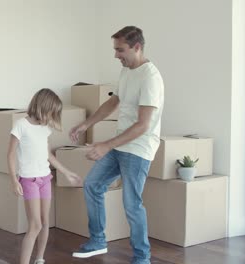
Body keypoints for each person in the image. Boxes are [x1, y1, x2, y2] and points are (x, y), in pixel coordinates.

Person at [69, 26, 164, 264]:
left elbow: (143, 125)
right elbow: (113, 103)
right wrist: (85, 124)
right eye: (115, 49)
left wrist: (106, 145)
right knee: (93, 184)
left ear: (137, 47)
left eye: (120, 50)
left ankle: (143, 257)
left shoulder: (150, 78)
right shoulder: (127, 70)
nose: (116, 55)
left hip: (139, 148)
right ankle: (98, 240)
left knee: (132, 204)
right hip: (121, 145)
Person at [7, 88, 82, 264]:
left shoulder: (45, 128)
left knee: (45, 222)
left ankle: (40, 259)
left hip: (45, 179)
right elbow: (10, 154)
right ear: (43, 107)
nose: (52, 116)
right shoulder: (21, 125)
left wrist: (67, 172)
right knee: (35, 225)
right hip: (29, 180)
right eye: (51, 112)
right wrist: (13, 180)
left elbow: (48, 155)